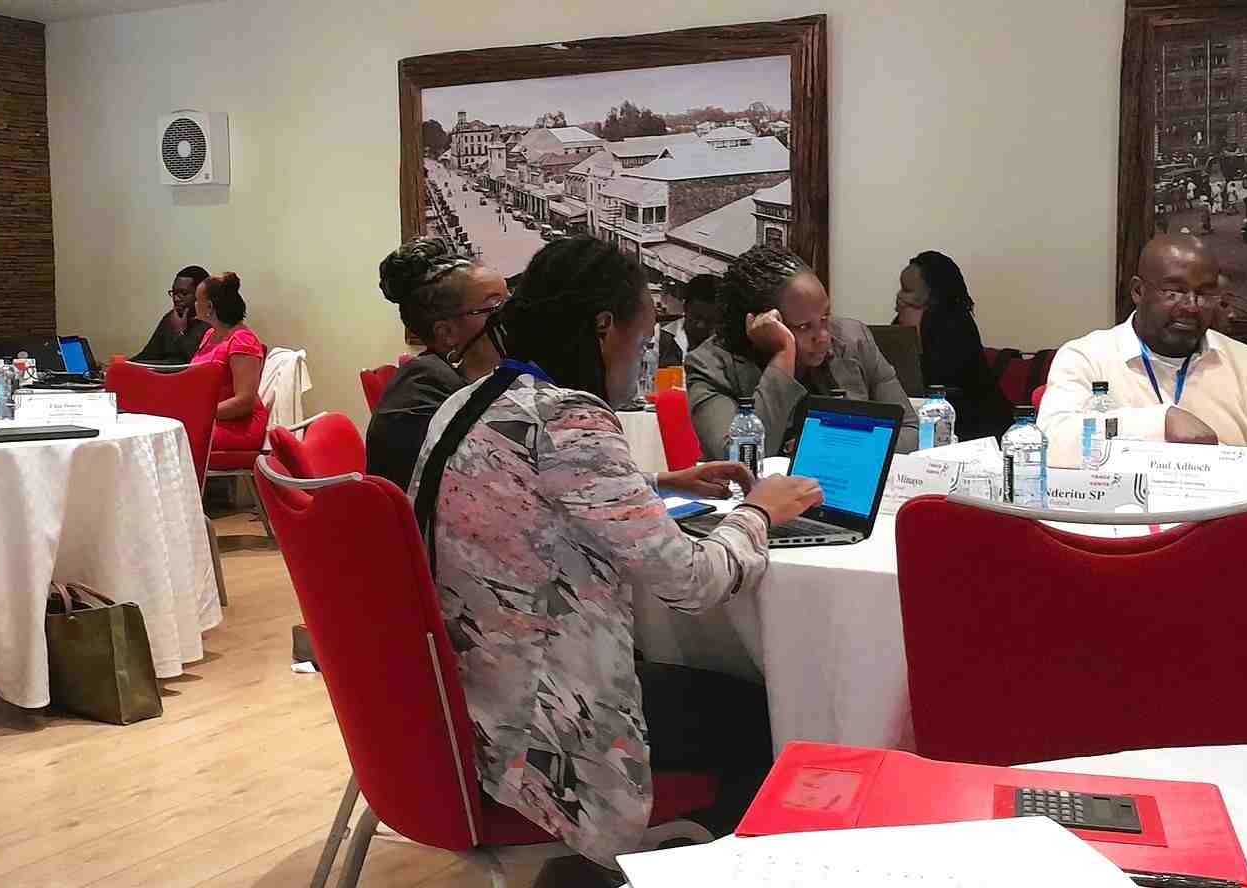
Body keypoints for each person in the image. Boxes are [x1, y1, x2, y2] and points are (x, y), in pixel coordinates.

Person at [412, 236, 823, 876]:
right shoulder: (567, 417)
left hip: (467, 700)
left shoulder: (470, 400)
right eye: (642, 336)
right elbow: (694, 581)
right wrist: (762, 511)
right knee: (763, 717)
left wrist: (659, 483)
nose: (642, 356)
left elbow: (525, 494)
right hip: (548, 726)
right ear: (605, 328)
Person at [1037, 234, 1247, 469]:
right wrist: (1159, 422)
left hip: (1225, 519)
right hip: (1121, 520)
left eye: (1205, 294)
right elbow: (1051, 441)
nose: (1191, 306)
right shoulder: (1087, 356)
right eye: (1174, 292)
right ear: (1138, 291)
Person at [685, 246, 917, 459]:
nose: (824, 336)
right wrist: (783, 355)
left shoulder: (854, 338)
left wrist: (825, 448)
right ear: (761, 324)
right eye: (804, 326)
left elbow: (911, 431)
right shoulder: (711, 366)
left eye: (825, 317)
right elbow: (739, 459)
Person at [364, 238, 506, 487]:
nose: (512, 313)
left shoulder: (458, 376)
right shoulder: (423, 401)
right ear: (446, 333)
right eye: (495, 306)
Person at [895, 251, 1013, 440]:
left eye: (908, 290)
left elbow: (938, 379)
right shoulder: (903, 319)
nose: (899, 296)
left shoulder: (956, 322)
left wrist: (916, 332)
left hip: (974, 423)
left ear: (932, 292)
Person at [186, 272, 269, 451]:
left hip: (238, 425)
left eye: (197, 300)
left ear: (208, 306)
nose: (194, 304)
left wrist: (197, 413)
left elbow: (244, 402)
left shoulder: (242, 340)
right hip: (210, 418)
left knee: (175, 440)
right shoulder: (210, 334)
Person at [130, 265, 210, 363]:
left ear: (201, 294)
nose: (176, 299)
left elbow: (197, 363)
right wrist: (121, 365)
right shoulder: (170, 319)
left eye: (183, 293)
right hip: (162, 376)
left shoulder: (211, 323)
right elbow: (147, 355)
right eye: (174, 293)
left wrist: (180, 333)